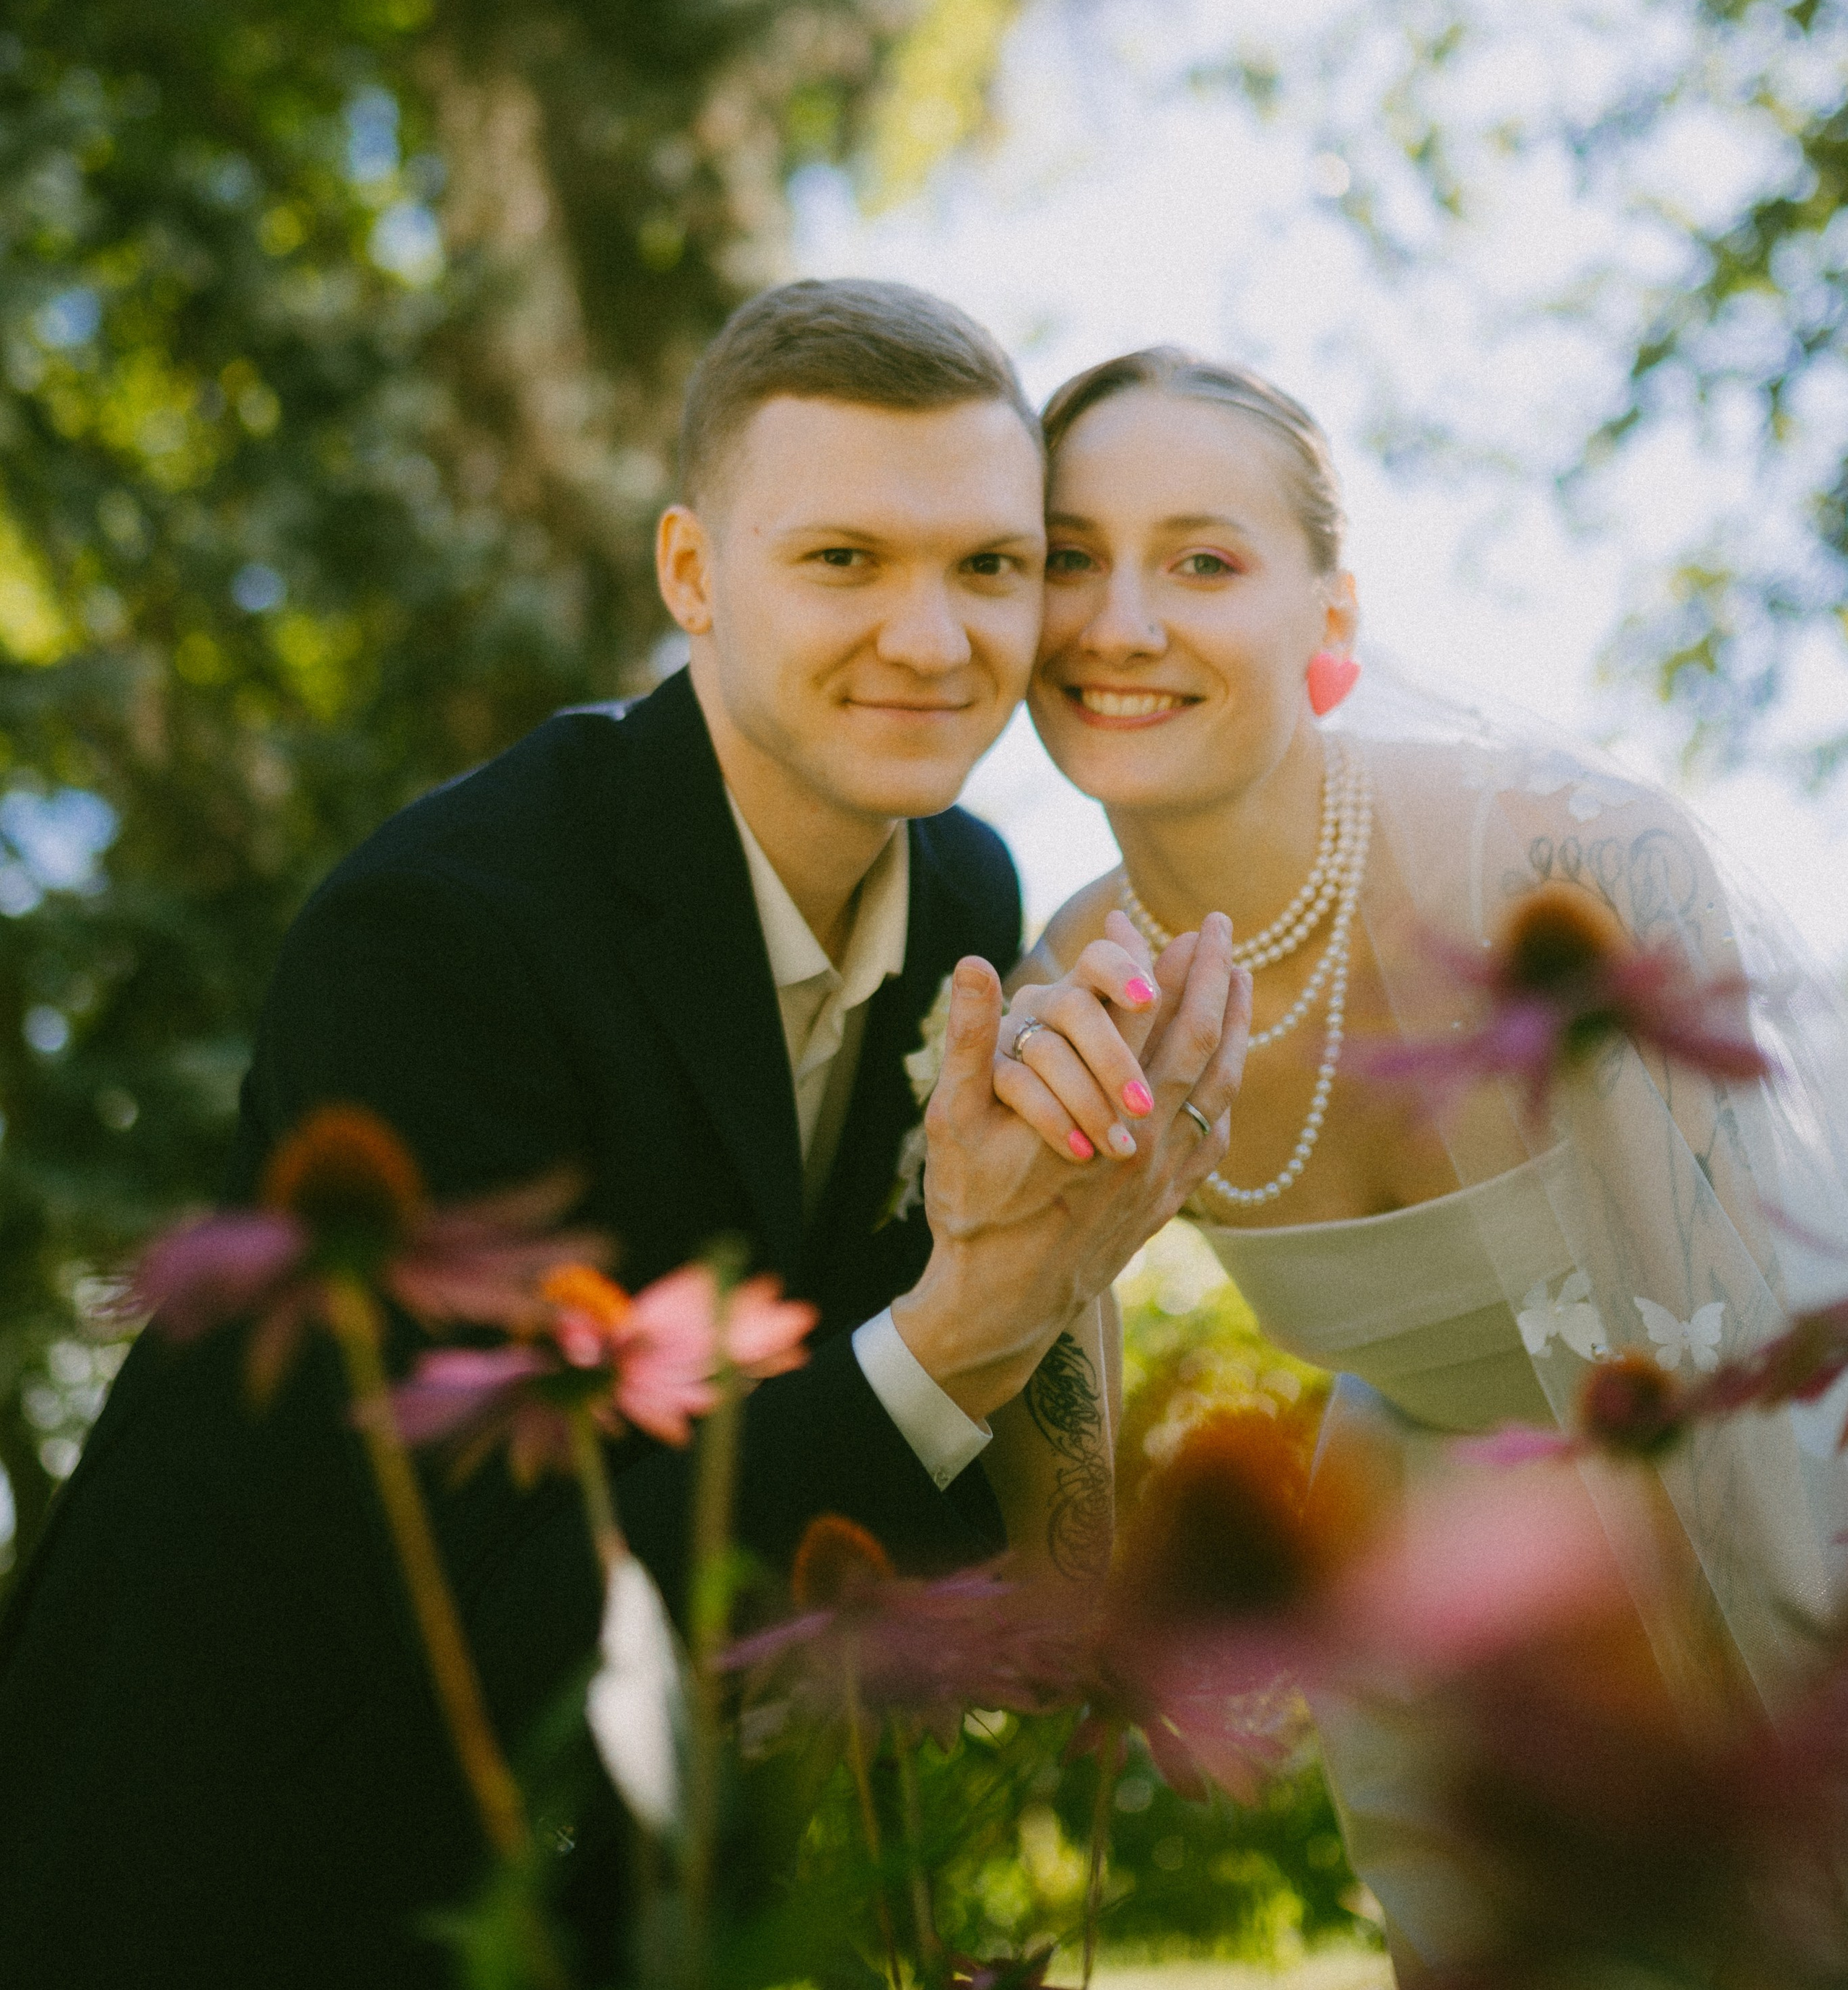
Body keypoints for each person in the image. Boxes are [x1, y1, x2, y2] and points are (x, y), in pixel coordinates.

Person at [0, 284, 1243, 1990]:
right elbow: (511, 1611)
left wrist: (1057, 1306)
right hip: (232, 1851)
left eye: (988, 565)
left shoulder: (964, 893)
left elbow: (844, 1449)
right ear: (689, 572)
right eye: (842, 560)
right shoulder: (441, 937)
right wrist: (973, 1315)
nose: (932, 638)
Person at [985, 344, 1848, 1979]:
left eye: (1202, 561)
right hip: (1433, 1606)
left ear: (1330, 618)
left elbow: (1742, 1388)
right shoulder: (1069, 992)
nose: (1120, 622)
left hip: (1764, 1515)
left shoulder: (1576, 865)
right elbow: (1057, 1452)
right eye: (1070, 558)